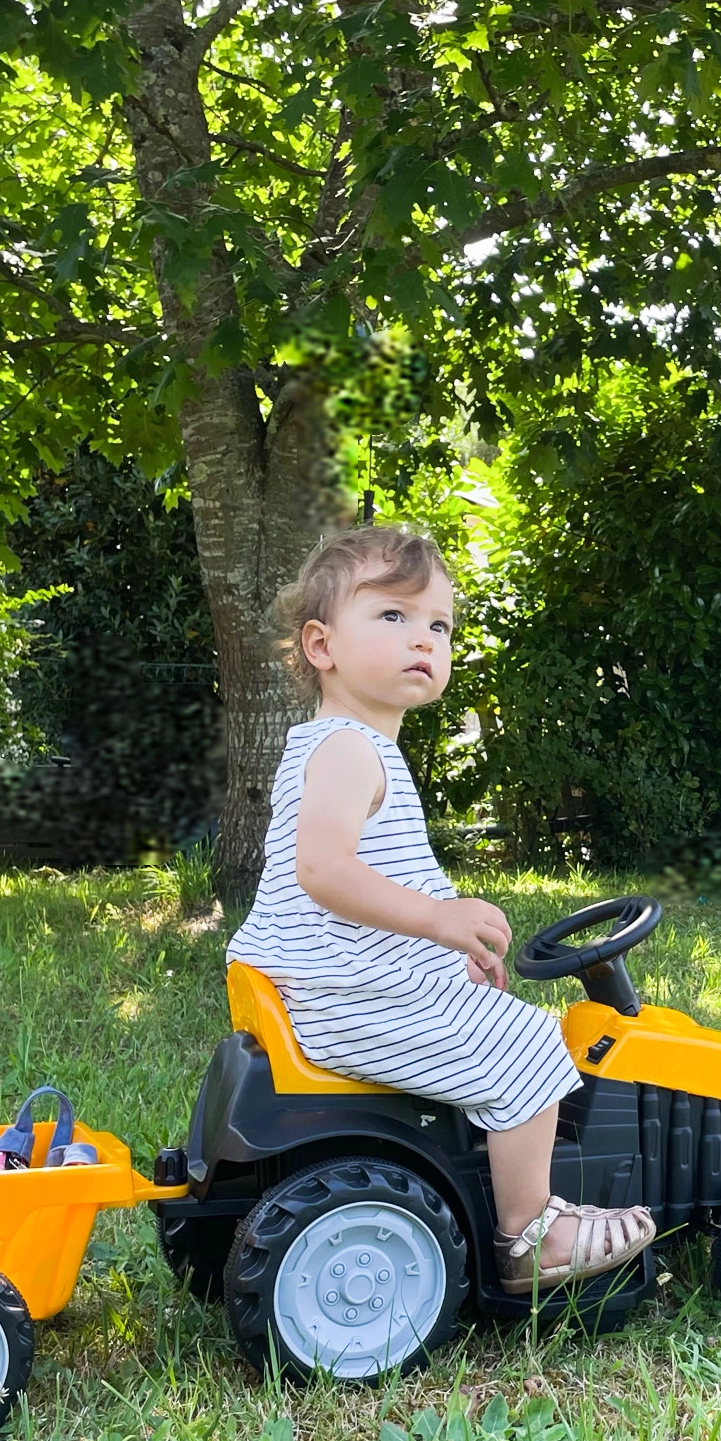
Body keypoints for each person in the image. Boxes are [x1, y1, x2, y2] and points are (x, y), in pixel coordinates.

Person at [226, 523, 656, 1293]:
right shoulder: (348, 749)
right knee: (528, 1045)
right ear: (321, 646)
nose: (422, 638)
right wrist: (441, 921)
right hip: (342, 1001)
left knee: (493, 1019)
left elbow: (368, 889)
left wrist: (441, 950)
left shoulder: (345, 743)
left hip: (346, 984)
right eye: (392, 617)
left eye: (438, 625)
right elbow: (324, 872)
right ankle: (530, 1236)